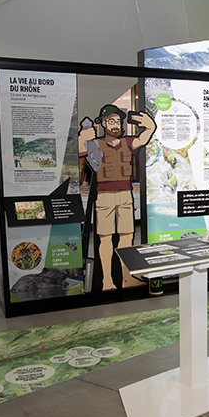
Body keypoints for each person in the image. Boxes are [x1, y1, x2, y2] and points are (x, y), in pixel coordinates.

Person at [78, 104, 156, 291]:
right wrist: (84, 136)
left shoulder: (127, 142)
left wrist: (151, 126)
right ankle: (107, 281)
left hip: (125, 195)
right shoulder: (96, 143)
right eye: (111, 121)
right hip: (104, 196)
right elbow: (81, 150)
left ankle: (126, 278)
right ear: (104, 123)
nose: (116, 124)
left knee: (127, 237)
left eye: (118, 121)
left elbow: (143, 138)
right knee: (105, 239)